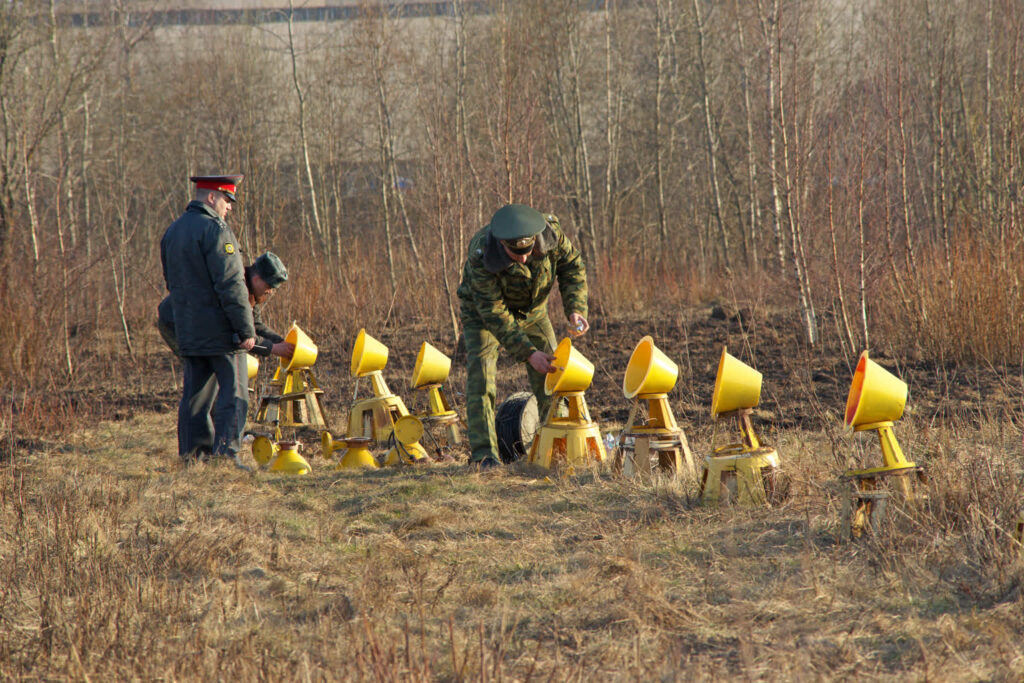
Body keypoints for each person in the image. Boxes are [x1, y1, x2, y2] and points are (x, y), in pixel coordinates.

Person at [457, 203, 589, 468]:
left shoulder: (551, 234)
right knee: (482, 378)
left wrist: (575, 309)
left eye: (528, 251)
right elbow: (495, 314)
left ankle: (558, 447)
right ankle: (484, 456)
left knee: (555, 372)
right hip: (484, 316)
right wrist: (529, 353)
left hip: (533, 312)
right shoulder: (481, 254)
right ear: (502, 245)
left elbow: (572, 267)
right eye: (516, 254)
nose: (524, 259)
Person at [160, 174, 255, 468]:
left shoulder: (173, 232)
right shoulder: (216, 231)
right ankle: (227, 456)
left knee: (195, 397)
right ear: (212, 197)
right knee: (235, 392)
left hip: (188, 328)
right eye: (227, 201)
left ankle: (193, 457)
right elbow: (232, 284)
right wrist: (245, 328)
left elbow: (171, 283)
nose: (229, 208)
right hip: (220, 332)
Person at [157, 251, 295, 361]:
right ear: (257, 278)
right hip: (176, 320)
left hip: (200, 323)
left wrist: (282, 343)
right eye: (269, 286)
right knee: (203, 368)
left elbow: (255, 324)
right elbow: (238, 335)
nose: (270, 291)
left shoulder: (250, 289)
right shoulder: (234, 289)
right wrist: (272, 348)